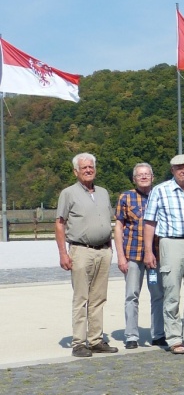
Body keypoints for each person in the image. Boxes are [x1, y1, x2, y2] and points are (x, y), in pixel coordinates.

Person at [143, 154, 184, 354]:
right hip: (171, 243)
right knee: (171, 293)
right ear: (172, 170)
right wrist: (149, 251)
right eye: (180, 168)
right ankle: (173, 337)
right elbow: (149, 222)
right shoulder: (161, 190)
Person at [55, 153, 118, 358]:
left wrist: (109, 245)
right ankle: (79, 342)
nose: (88, 170)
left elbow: (107, 220)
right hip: (81, 250)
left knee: (99, 297)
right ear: (76, 171)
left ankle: (96, 339)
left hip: (103, 250)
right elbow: (60, 223)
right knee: (81, 297)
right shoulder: (68, 193)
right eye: (84, 168)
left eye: (91, 167)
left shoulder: (103, 192)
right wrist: (63, 253)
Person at [115, 162, 165, 349]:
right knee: (132, 295)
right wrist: (120, 256)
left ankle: (158, 334)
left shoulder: (159, 195)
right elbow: (119, 227)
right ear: (134, 178)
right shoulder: (126, 197)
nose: (144, 177)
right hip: (133, 254)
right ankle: (131, 335)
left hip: (155, 256)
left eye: (147, 174)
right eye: (140, 175)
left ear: (153, 177)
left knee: (158, 295)